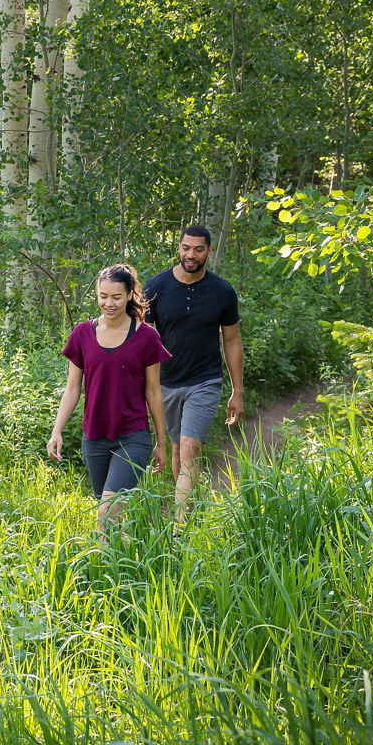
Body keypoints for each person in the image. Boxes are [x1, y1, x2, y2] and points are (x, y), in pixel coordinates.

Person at [47, 264, 171, 538]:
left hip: (133, 437)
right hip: (94, 437)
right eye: (103, 296)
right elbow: (72, 389)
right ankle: (118, 571)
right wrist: (56, 432)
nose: (109, 303)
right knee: (109, 515)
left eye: (116, 296)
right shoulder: (82, 334)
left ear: (129, 295)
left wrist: (161, 443)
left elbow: (153, 392)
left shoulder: (147, 337)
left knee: (108, 511)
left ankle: (111, 573)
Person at [144, 225, 243, 522]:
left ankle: (180, 526)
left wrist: (238, 391)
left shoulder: (223, 292)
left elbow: (232, 340)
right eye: (186, 248)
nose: (191, 254)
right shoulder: (155, 287)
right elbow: (145, 342)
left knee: (190, 447)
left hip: (205, 380)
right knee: (176, 448)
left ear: (209, 251)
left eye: (199, 249)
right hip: (166, 383)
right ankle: (186, 505)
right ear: (179, 247)